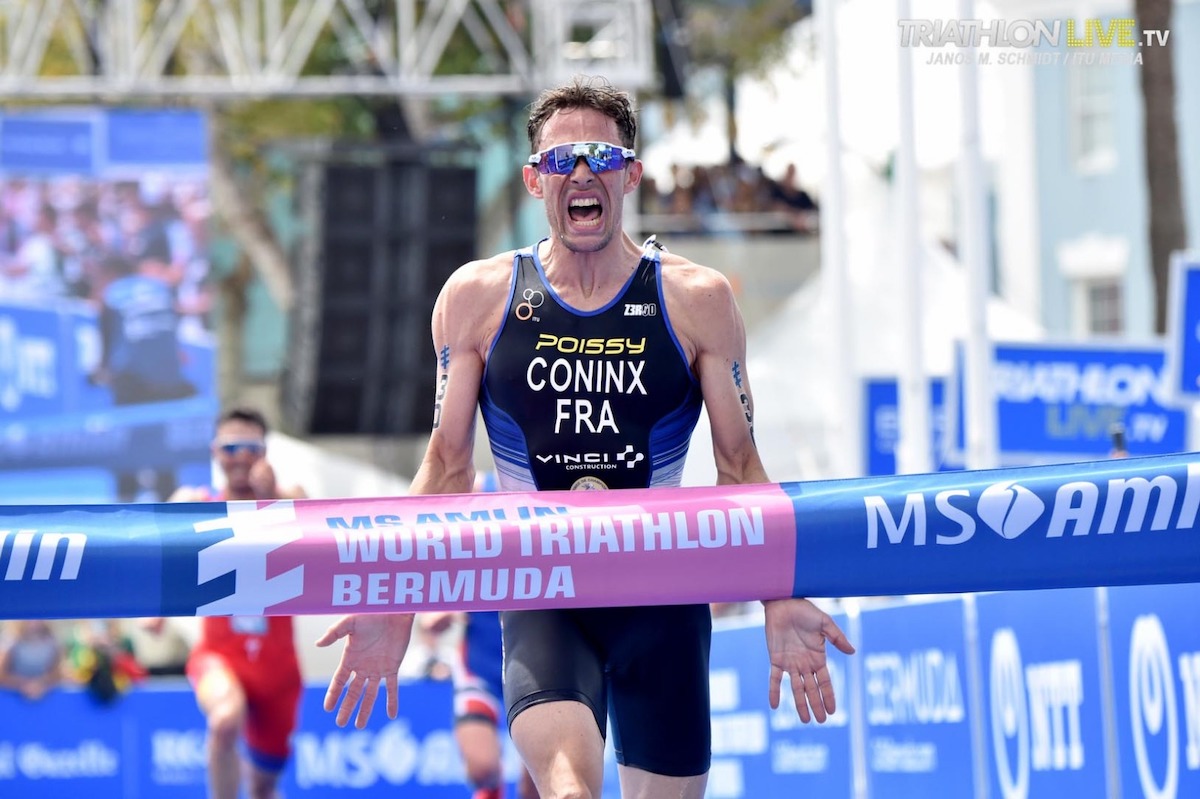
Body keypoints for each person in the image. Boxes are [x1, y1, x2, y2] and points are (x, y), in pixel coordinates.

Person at [317, 75, 855, 799]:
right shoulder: (478, 297)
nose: (581, 173)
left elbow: (740, 467)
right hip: (543, 587)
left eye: (600, 158)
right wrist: (394, 599)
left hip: (663, 593)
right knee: (571, 789)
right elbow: (445, 470)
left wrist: (781, 596)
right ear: (534, 179)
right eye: (561, 159)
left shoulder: (695, 299)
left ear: (630, 174)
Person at [167, 406, 307, 799]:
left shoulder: (289, 496)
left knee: (263, 788)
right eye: (231, 447)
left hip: (278, 669)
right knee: (225, 720)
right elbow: (158, 553)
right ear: (215, 452)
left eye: (251, 447)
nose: (241, 456)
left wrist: (269, 500)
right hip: (219, 654)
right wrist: (155, 615)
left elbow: (314, 549)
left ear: (265, 451)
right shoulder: (197, 502)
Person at [419, 471, 539, 799]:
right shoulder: (473, 491)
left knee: (539, 787)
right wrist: (434, 617)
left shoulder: (549, 488)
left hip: (538, 662)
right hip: (481, 664)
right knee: (482, 769)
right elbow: (426, 578)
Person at [0, 619, 64, 701]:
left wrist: (40, 684)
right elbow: (2, 675)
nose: (33, 621)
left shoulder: (53, 642)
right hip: (11, 699)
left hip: (47, 700)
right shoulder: (10, 641)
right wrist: (24, 685)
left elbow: (58, 673)